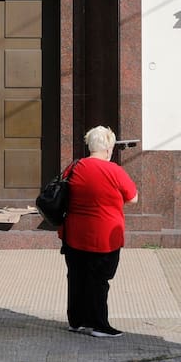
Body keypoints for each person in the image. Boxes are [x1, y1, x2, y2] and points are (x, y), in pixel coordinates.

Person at [60, 125, 139, 339]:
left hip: (74, 234)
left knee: (76, 277)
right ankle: (98, 324)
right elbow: (133, 198)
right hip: (104, 237)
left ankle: (76, 321)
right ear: (108, 148)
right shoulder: (114, 170)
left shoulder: (74, 167)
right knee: (99, 280)